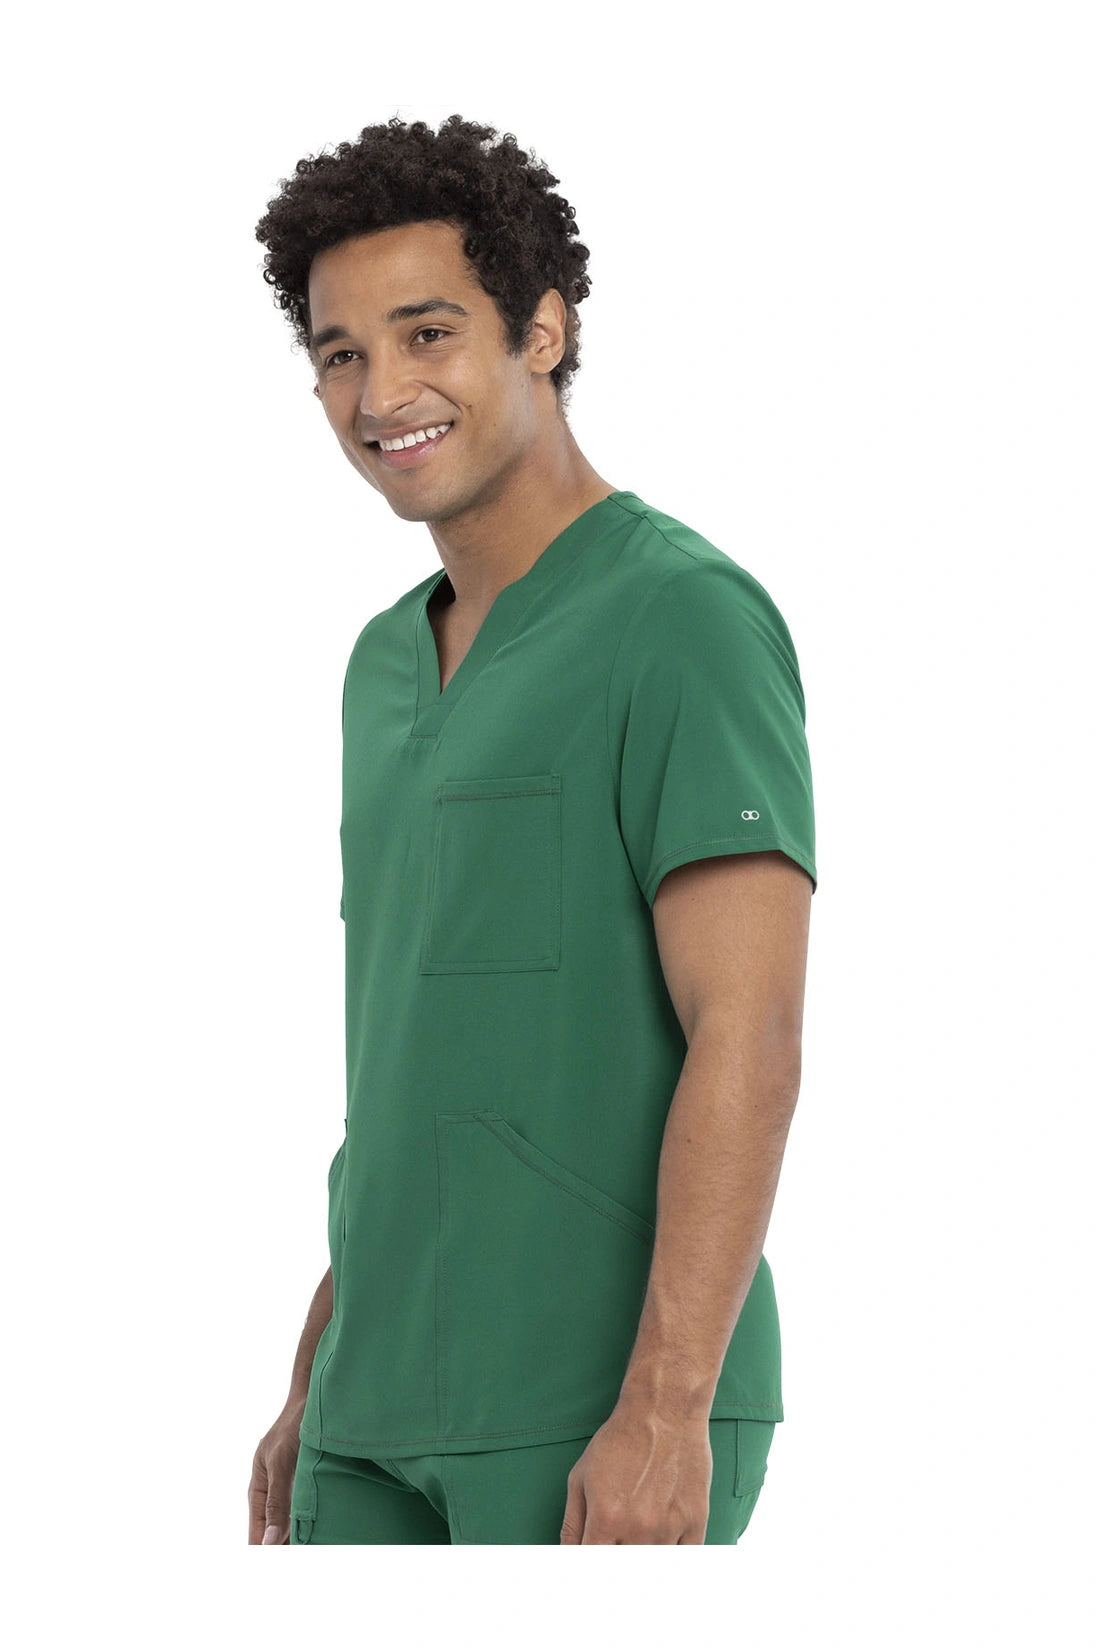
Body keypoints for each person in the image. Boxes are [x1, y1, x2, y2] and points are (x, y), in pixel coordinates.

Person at [248, 114, 816, 1546]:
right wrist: (321, 1363)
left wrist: (668, 1407)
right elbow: (418, 1059)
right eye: (339, 353)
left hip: (592, 1409)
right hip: (372, 1412)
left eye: (429, 332)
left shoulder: (680, 617)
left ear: (544, 331)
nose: (383, 392)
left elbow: (749, 1027)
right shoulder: (382, 665)